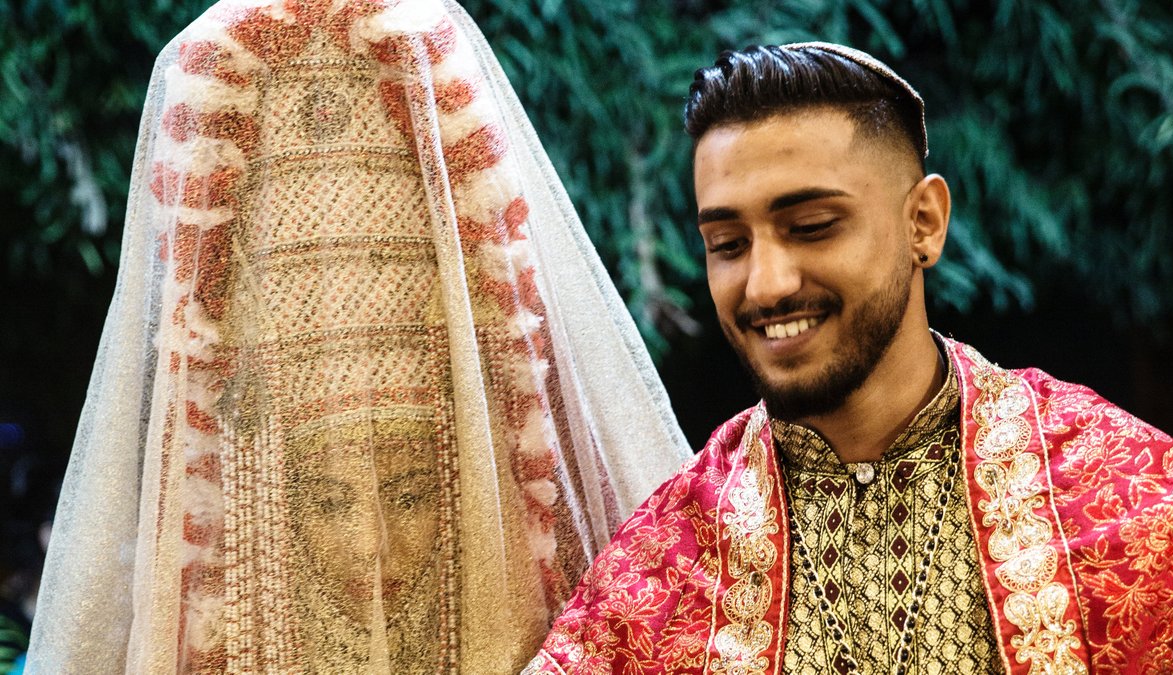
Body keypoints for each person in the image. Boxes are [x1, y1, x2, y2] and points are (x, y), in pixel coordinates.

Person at [25, 0, 691, 672]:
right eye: (329, 498)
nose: (372, 547)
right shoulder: (221, 62)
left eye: (410, 492)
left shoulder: (423, 45)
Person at [526, 43, 1173, 674]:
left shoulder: (1130, 501)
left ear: (925, 222)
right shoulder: (659, 571)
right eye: (728, 243)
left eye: (812, 227)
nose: (765, 283)